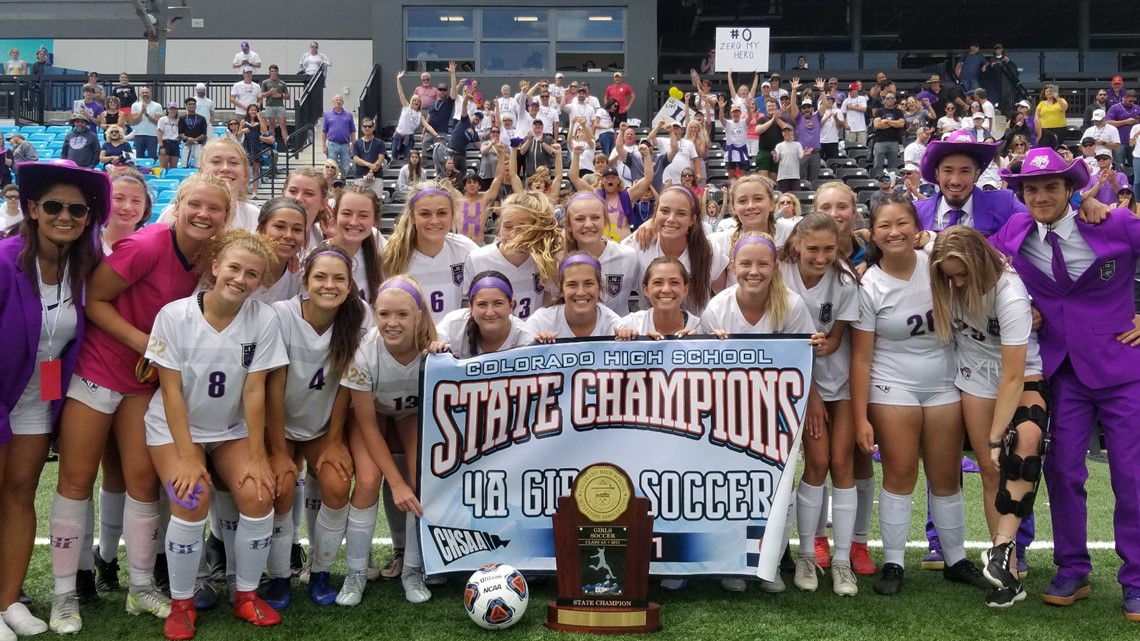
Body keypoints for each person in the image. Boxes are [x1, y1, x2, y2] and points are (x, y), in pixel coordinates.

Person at [49, 174, 231, 634]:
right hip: (97, 370)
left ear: (226, 217)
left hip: (141, 383)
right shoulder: (148, 245)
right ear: (179, 204)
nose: (204, 215)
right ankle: (64, 593)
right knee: (75, 478)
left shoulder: (207, 257)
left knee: (143, 481)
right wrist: (147, 343)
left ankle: (141, 586)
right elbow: (94, 300)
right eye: (196, 205)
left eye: (215, 209)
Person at [990, 147, 1140, 619]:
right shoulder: (1014, 231)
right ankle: (1072, 569)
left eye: (1051, 186)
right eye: (1031, 188)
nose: (1040, 196)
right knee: (1061, 472)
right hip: (1062, 373)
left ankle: (1136, 578)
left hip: (1122, 367)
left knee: (1131, 476)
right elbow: (970, 257)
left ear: (1070, 190)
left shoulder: (1112, 223)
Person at [146, 230, 288, 639]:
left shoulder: (263, 318)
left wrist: (259, 453)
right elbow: (170, 391)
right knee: (190, 497)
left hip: (230, 428)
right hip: (176, 428)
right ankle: (182, 603)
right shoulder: (174, 316)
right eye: (234, 268)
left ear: (261, 282)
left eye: (252, 274)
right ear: (215, 267)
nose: (241, 279)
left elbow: (255, 389)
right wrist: (189, 455)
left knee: (259, 494)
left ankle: (245, 595)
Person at [851, 196, 990, 596]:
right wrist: (861, 416)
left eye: (902, 224)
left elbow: (986, 265)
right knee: (900, 473)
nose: (894, 232)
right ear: (873, 234)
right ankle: (893, 561)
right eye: (884, 226)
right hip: (892, 382)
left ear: (917, 227)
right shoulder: (869, 283)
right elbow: (860, 358)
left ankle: (955, 559)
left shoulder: (937, 263)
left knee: (947, 475)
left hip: (945, 381)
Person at [0, 160, 107, 640]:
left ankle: (8, 598)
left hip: (35, 398)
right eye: (54, 206)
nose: (65, 216)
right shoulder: (3, 261)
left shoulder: (83, 269)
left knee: (20, 495)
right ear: (32, 209)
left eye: (77, 209)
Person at [928, 226, 1045, 608]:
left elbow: (1013, 375)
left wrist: (997, 436)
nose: (958, 282)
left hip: (1021, 373)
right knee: (991, 471)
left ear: (980, 260)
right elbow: (914, 236)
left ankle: (1002, 553)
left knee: (1020, 454)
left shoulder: (1009, 293)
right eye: (951, 277)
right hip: (974, 374)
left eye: (963, 274)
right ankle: (1006, 575)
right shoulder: (946, 268)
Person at [263, 243, 368, 608]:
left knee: (338, 487)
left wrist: (336, 439)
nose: (329, 284)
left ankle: (321, 570)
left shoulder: (357, 317)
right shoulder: (280, 314)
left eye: (339, 278)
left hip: (322, 425)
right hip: (276, 424)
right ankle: (277, 577)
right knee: (279, 489)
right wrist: (278, 451)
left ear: (350, 284)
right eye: (320, 276)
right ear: (304, 281)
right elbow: (272, 387)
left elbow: (346, 385)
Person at [774, 213, 862, 596]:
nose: (821, 256)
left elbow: (837, 337)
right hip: (796, 385)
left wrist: (827, 343)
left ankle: (841, 561)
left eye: (829, 248)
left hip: (836, 382)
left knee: (841, 464)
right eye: (813, 248)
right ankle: (807, 553)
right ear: (796, 243)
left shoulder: (844, 280)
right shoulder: (778, 271)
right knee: (818, 462)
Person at [338, 276, 428, 604]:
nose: (392, 323)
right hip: (373, 414)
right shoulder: (363, 354)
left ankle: (413, 570)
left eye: (402, 315)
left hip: (411, 412)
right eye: (384, 314)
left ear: (419, 315)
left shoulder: (435, 345)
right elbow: (367, 425)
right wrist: (395, 482)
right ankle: (355, 575)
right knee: (367, 480)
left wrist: (407, 483)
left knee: (423, 479)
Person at [383, 183, 478, 322]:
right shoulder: (391, 255)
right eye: (425, 214)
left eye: (442, 213)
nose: (434, 221)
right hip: (410, 341)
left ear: (452, 215)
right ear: (412, 217)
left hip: (452, 340)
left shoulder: (465, 249)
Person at [625, 186, 727, 316]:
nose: (671, 219)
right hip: (650, 332)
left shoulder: (709, 251)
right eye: (665, 211)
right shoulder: (640, 242)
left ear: (692, 220)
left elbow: (726, 295)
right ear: (655, 213)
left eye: (681, 213)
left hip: (696, 333)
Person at [462, 191, 560, 321]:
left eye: (523, 229)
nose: (513, 235)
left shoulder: (545, 260)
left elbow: (547, 308)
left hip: (532, 338)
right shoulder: (477, 259)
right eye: (508, 227)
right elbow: (466, 307)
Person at [916, 130, 1025, 233]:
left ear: (977, 175)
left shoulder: (1005, 205)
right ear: (937, 174)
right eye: (948, 171)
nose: (955, 181)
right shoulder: (915, 213)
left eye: (965, 171)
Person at [562, 193, 640, 315]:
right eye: (579, 219)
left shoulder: (628, 256)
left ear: (605, 221)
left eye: (595, 217)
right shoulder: (557, 260)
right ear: (569, 225)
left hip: (618, 333)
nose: (588, 224)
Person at [432, 270, 536, 357]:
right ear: (471, 307)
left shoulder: (524, 338)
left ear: (511, 305)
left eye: (498, 303)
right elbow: (431, 346)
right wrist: (434, 349)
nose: (490, 312)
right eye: (482, 304)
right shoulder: (453, 325)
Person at [525, 254, 628, 340]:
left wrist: (628, 342)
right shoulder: (540, 323)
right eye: (572, 285)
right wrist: (537, 348)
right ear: (561, 290)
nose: (581, 292)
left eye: (588, 284)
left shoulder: (615, 327)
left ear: (599, 287)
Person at [330, 186, 385, 304]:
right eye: (346, 213)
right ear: (335, 216)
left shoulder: (379, 251)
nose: (354, 222)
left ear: (375, 220)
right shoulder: (318, 258)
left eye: (363, 215)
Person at [394, 71, 437, 161]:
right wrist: (398, 79)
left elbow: (428, 126)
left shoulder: (419, 115)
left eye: (418, 101)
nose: (416, 102)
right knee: (394, 156)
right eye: (415, 100)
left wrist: (436, 135)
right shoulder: (406, 107)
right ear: (411, 101)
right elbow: (400, 93)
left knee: (407, 158)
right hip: (398, 135)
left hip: (409, 137)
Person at [350, 118, 387, 198]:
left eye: (370, 126)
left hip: (376, 177)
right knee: (359, 201)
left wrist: (371, 171)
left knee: (376, 202)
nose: (367, 128)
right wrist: (369, 165)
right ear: (362, 128)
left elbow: (380, 159)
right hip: (360, 176)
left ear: (373, 128)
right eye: (365, 126)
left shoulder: (380, 143)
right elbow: (356, 159)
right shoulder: (356, 143)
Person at [872, 92, 905, 175]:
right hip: (880, 141)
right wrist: (894, 123)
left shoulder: (899, 112)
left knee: (893, 167)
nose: (889, 100)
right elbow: (877, 125)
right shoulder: (879, 111)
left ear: (895, 100)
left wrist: (886, 121)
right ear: (884, 100)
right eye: (888, 98)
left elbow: (901, 124)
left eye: (891, 98)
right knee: (878, 166)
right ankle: (877, 181)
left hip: (894, 141)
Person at [129, 87, 162, 161]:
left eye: (147, 92)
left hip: (152, 135)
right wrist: (142, 111)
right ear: (140, 94)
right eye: (143, 93)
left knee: (153, 156)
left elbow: (158, 121)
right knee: (139, 156)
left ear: (150, 94)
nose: (145, 94)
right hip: (139, 134)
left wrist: (146, 114)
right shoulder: (135, 105)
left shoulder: (157, 105)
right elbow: (135, 121)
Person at [260, 65, 291, 143]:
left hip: (280, 105)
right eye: (272, 71)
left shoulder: (282, 83)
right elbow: (262, 95)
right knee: (271, 126)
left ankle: (286, 143)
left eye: (275, 71)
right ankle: (271, 144)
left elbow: (288, 96)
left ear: (278, 72)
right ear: (269, 72)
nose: (274, 73)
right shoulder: (265, 82)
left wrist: (280, 95)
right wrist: (270, 92)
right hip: (270, 105)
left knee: (283, 125)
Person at [178, 97, 208, 169]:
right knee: (184, 165)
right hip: (187, 144)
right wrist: (187, 138)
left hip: (198, 144)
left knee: (199, 166)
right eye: (190, 104)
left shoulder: (201, 118)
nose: (192, 106)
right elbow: (180, 133)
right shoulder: (182, 118)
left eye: (193, 104)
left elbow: (204, 134)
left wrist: (194, 139)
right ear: (186, 106)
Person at [773, 126, 804, 194]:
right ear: (782, 133)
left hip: (794, 176)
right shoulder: (779, 146)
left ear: (792, 132)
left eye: (788, 131)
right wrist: (774, 156)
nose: (787, 133)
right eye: (785, 131)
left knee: (796, 197)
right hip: (783, 176)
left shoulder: (797, 145)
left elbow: (801, 156)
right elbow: (776, 160)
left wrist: (805, 154)